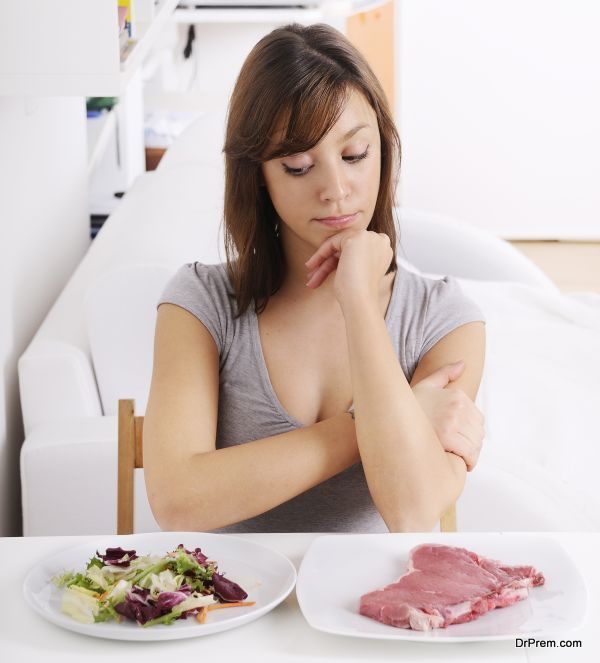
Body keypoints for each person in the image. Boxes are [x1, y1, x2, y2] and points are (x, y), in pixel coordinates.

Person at [144, 23, 486, 533]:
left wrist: (359, 303)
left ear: (384, 152)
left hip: (373, 609)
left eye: (354, 156)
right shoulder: (200, 304)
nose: (336, 189)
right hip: (232, 607)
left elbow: (413, 512)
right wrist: (383, 420)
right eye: (299, 167)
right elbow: (177, 502)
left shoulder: (443, 319)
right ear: (258, 177)